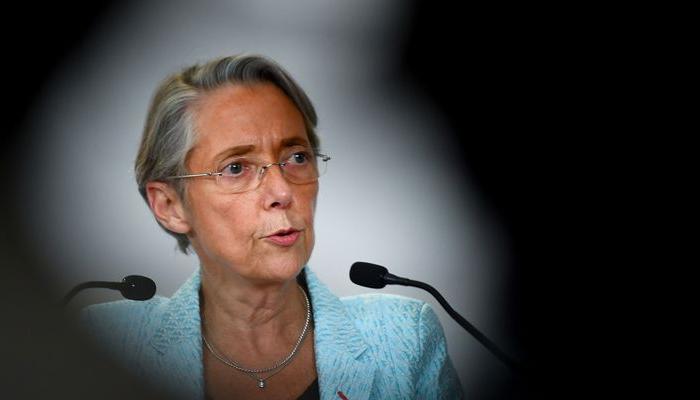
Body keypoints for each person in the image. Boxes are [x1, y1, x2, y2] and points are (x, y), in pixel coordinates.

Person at [79, 54, 463, 399]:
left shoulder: (402, 337)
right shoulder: (110, 341)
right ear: (170, 206)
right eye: (236, 168)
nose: (282, 192)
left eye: (297, 157)